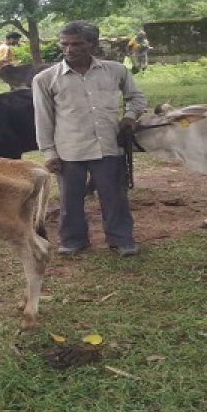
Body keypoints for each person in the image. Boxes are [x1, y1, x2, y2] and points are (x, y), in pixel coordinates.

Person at [32, 21, 147, 257]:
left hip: (108, 145)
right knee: (70, 200)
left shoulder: (116, 71)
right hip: (69, 149)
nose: (70, 49)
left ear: (92, 44)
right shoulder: (45, 79)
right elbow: (43, 119)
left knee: (115, 197)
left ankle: (121, 239)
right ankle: (73, 240)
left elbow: (136, 97)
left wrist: (130, 116)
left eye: (77, 44)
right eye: (65, 44)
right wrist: (49, 153)